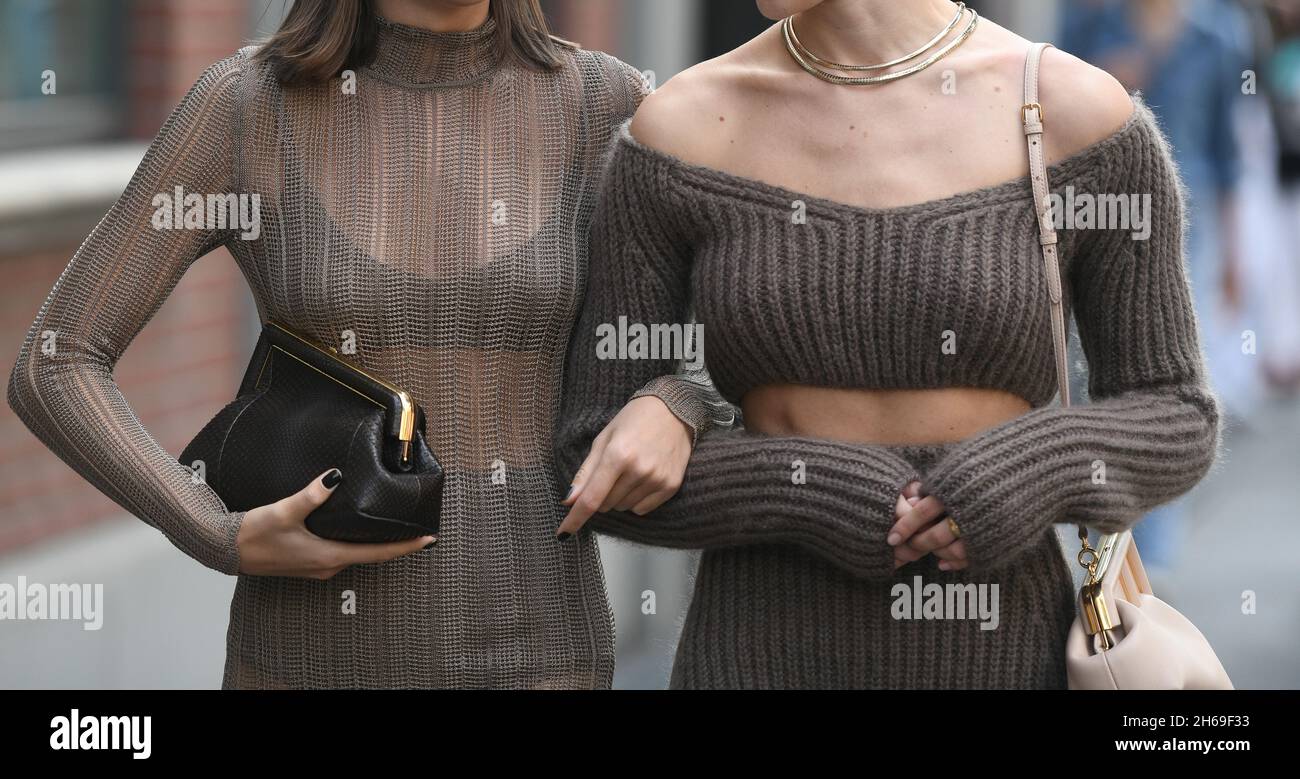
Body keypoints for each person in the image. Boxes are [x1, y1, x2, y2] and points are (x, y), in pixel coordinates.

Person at [6, 0, 702, 689]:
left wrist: (676, 399)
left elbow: (719, 333)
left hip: (547, 653)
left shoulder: (606, 102)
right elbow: (56, 360)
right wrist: (213, 531)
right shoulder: (248, 104)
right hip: (304, 660)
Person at [556, 0, 1221, 688]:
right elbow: (592, 455)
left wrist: (1029, 470)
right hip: (758, 654)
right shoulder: (681, 125)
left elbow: (1174, 413)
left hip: (1006, 651)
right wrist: (809, 489)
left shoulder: (1071, 113)